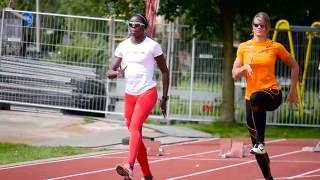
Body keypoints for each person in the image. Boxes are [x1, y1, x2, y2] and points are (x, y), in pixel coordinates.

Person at [232, 12, 299, 180]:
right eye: (256, 25)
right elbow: (234, 74)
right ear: (252, 27)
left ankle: (261, 143)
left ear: (268, 28)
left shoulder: (275, 46)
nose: (259, 28)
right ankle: (268, 177)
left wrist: (293, 91)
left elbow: (294, 66)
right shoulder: (243, 47)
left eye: (262, 25)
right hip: (252, 99)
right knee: (255, 147)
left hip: (272, 93)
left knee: (257, 98)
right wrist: (243, 68)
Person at [107, 14, 169, 180]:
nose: (133, 27)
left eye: (137, 25)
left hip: (147, 92)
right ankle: (148, 176)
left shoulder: (153, 46)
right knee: (136, 135)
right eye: (130, 25)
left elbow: (165, 71)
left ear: (145, 27)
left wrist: (165, 98)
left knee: (134, 127)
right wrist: (116, 73)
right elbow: (109, 72)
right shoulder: (123, 46)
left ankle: (129, 166)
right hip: (130, 95)